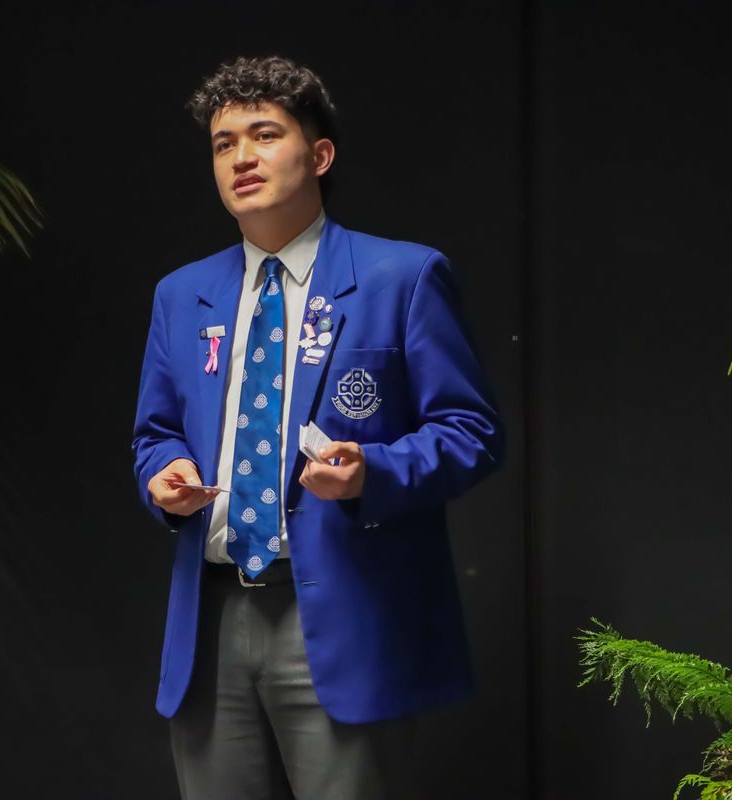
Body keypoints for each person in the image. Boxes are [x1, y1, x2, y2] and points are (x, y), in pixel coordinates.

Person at [132, 54, 504, 799]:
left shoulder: (403, 277)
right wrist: (160, 476)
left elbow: (471, 430)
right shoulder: (181, 294)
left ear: (320, 155)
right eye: (224, 143)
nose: (241, 157)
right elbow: (156, 433)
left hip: (345, 613)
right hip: (212, 618)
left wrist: (373, 471)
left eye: (264, 135)